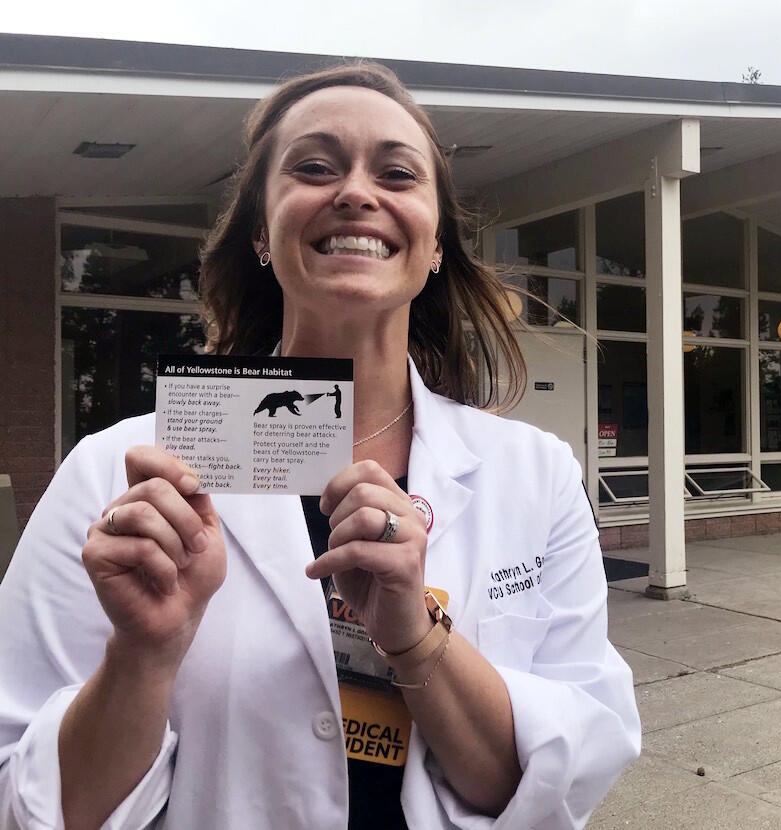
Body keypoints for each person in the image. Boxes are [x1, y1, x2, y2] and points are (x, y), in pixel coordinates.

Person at [0, 63, 640, 830]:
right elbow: (25, 805)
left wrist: (416, 638)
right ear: (261, 232)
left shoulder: (537, 476)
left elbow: (553, 783)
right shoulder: (114, 479)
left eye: (396, 173)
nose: (357, 192)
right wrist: (142, 655)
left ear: (437, 243)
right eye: (313, 167)